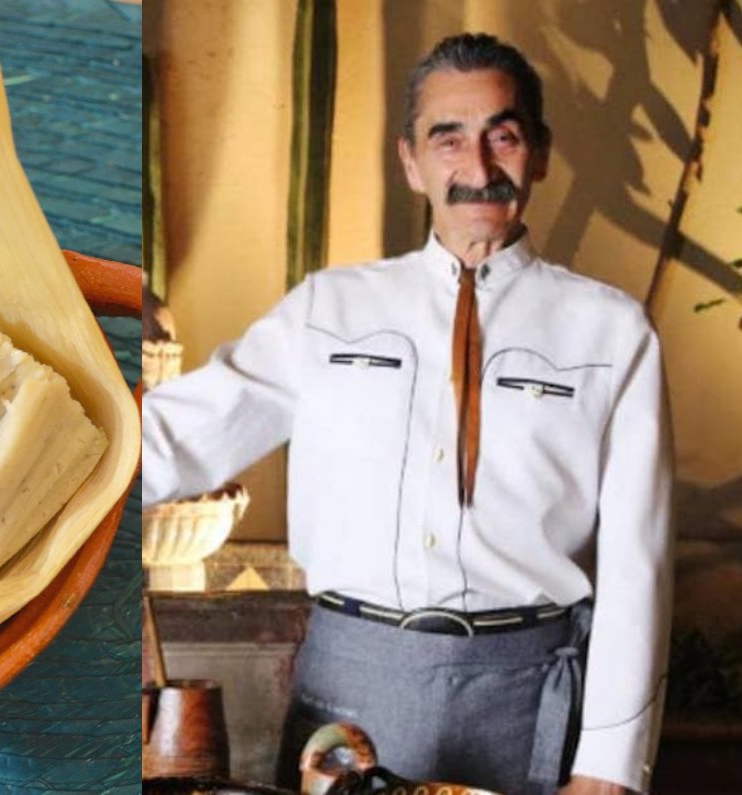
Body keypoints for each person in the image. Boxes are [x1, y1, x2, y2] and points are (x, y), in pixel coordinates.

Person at [141, 33, 671, 795]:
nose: (477, 168)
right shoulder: (331, 308)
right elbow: (181, 437)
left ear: (542, 153)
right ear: (410, 161)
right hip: (348, 687)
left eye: (503, 136)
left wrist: (608, 767)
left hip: (528, 692)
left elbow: (637, 564)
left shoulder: (614, 333)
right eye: (447, 138)